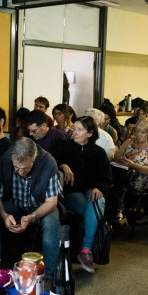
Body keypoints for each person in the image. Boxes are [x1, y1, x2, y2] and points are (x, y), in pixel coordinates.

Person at [0, 138, 61, 277]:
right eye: (16, 167)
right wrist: (4, 214)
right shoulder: (4, 162)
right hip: (14, 205)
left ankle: (49, 274)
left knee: (51, 223)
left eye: (26, 168)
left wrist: (32, 217)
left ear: (34, 159)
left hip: (40, 207)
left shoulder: (48, 164)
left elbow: (51, 202)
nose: (20, 172)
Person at [52, 116, 112, 273]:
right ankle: (86, 250)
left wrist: (99, 188)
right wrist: (62, 165)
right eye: (74, 129)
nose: (74, 132)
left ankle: (85, 250)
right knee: (91, 209)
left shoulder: (99, 153)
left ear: (90, 133)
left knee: (98, 201)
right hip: (70, 193)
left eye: (80, 130)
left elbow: (107, 178)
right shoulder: (63, 147)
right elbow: (48, 162)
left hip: (91, 191)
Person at [110, 118, 148, 224]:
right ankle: (116, 214)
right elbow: (115, 158)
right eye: (137, 131)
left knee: (119, 187)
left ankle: (119, 213)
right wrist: (121, 160)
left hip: (140, 182)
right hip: (122, 176)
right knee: (113, 185)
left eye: (143, 133)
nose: (139, 134)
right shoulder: (129, 142)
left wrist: (133, 165)